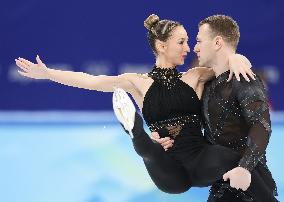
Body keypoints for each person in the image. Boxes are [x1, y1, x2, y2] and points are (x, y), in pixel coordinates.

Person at [16, 14, 256, 199]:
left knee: (240, 159)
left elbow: (230, 65)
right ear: (162, 46)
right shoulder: (137, 82)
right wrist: (48, 73)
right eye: (181, 42)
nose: (188, 48)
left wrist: (236, 57)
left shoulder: (196, 76)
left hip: (202, 160)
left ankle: (137, 131)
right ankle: (135, 129)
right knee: (149, 148)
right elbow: (90, 80)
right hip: (168, 171)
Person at [148, 15, 278, 201]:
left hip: (249, 184)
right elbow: (188, 126)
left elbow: (262, 124)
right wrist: (162, 137)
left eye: (199, 40)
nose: (195, 47)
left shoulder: (243, 80)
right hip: (221, 185)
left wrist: (244, 167)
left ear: (217, 42)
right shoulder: (207, 85)